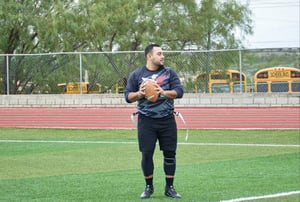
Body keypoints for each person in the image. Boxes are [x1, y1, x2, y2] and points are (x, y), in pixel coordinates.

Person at [124, 44, 184, 199]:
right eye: (159, 53)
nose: (162, 56)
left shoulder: (169, 72)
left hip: (167, 120)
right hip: (146, 121)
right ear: (149, 56)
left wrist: (163, 92)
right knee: (147, 153)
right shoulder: (137, 74)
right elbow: (127, 97)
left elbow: (179, 92)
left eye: (162, 53)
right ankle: (148, 187)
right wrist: (140, 94)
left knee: (170, 154)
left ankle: (169, 188)